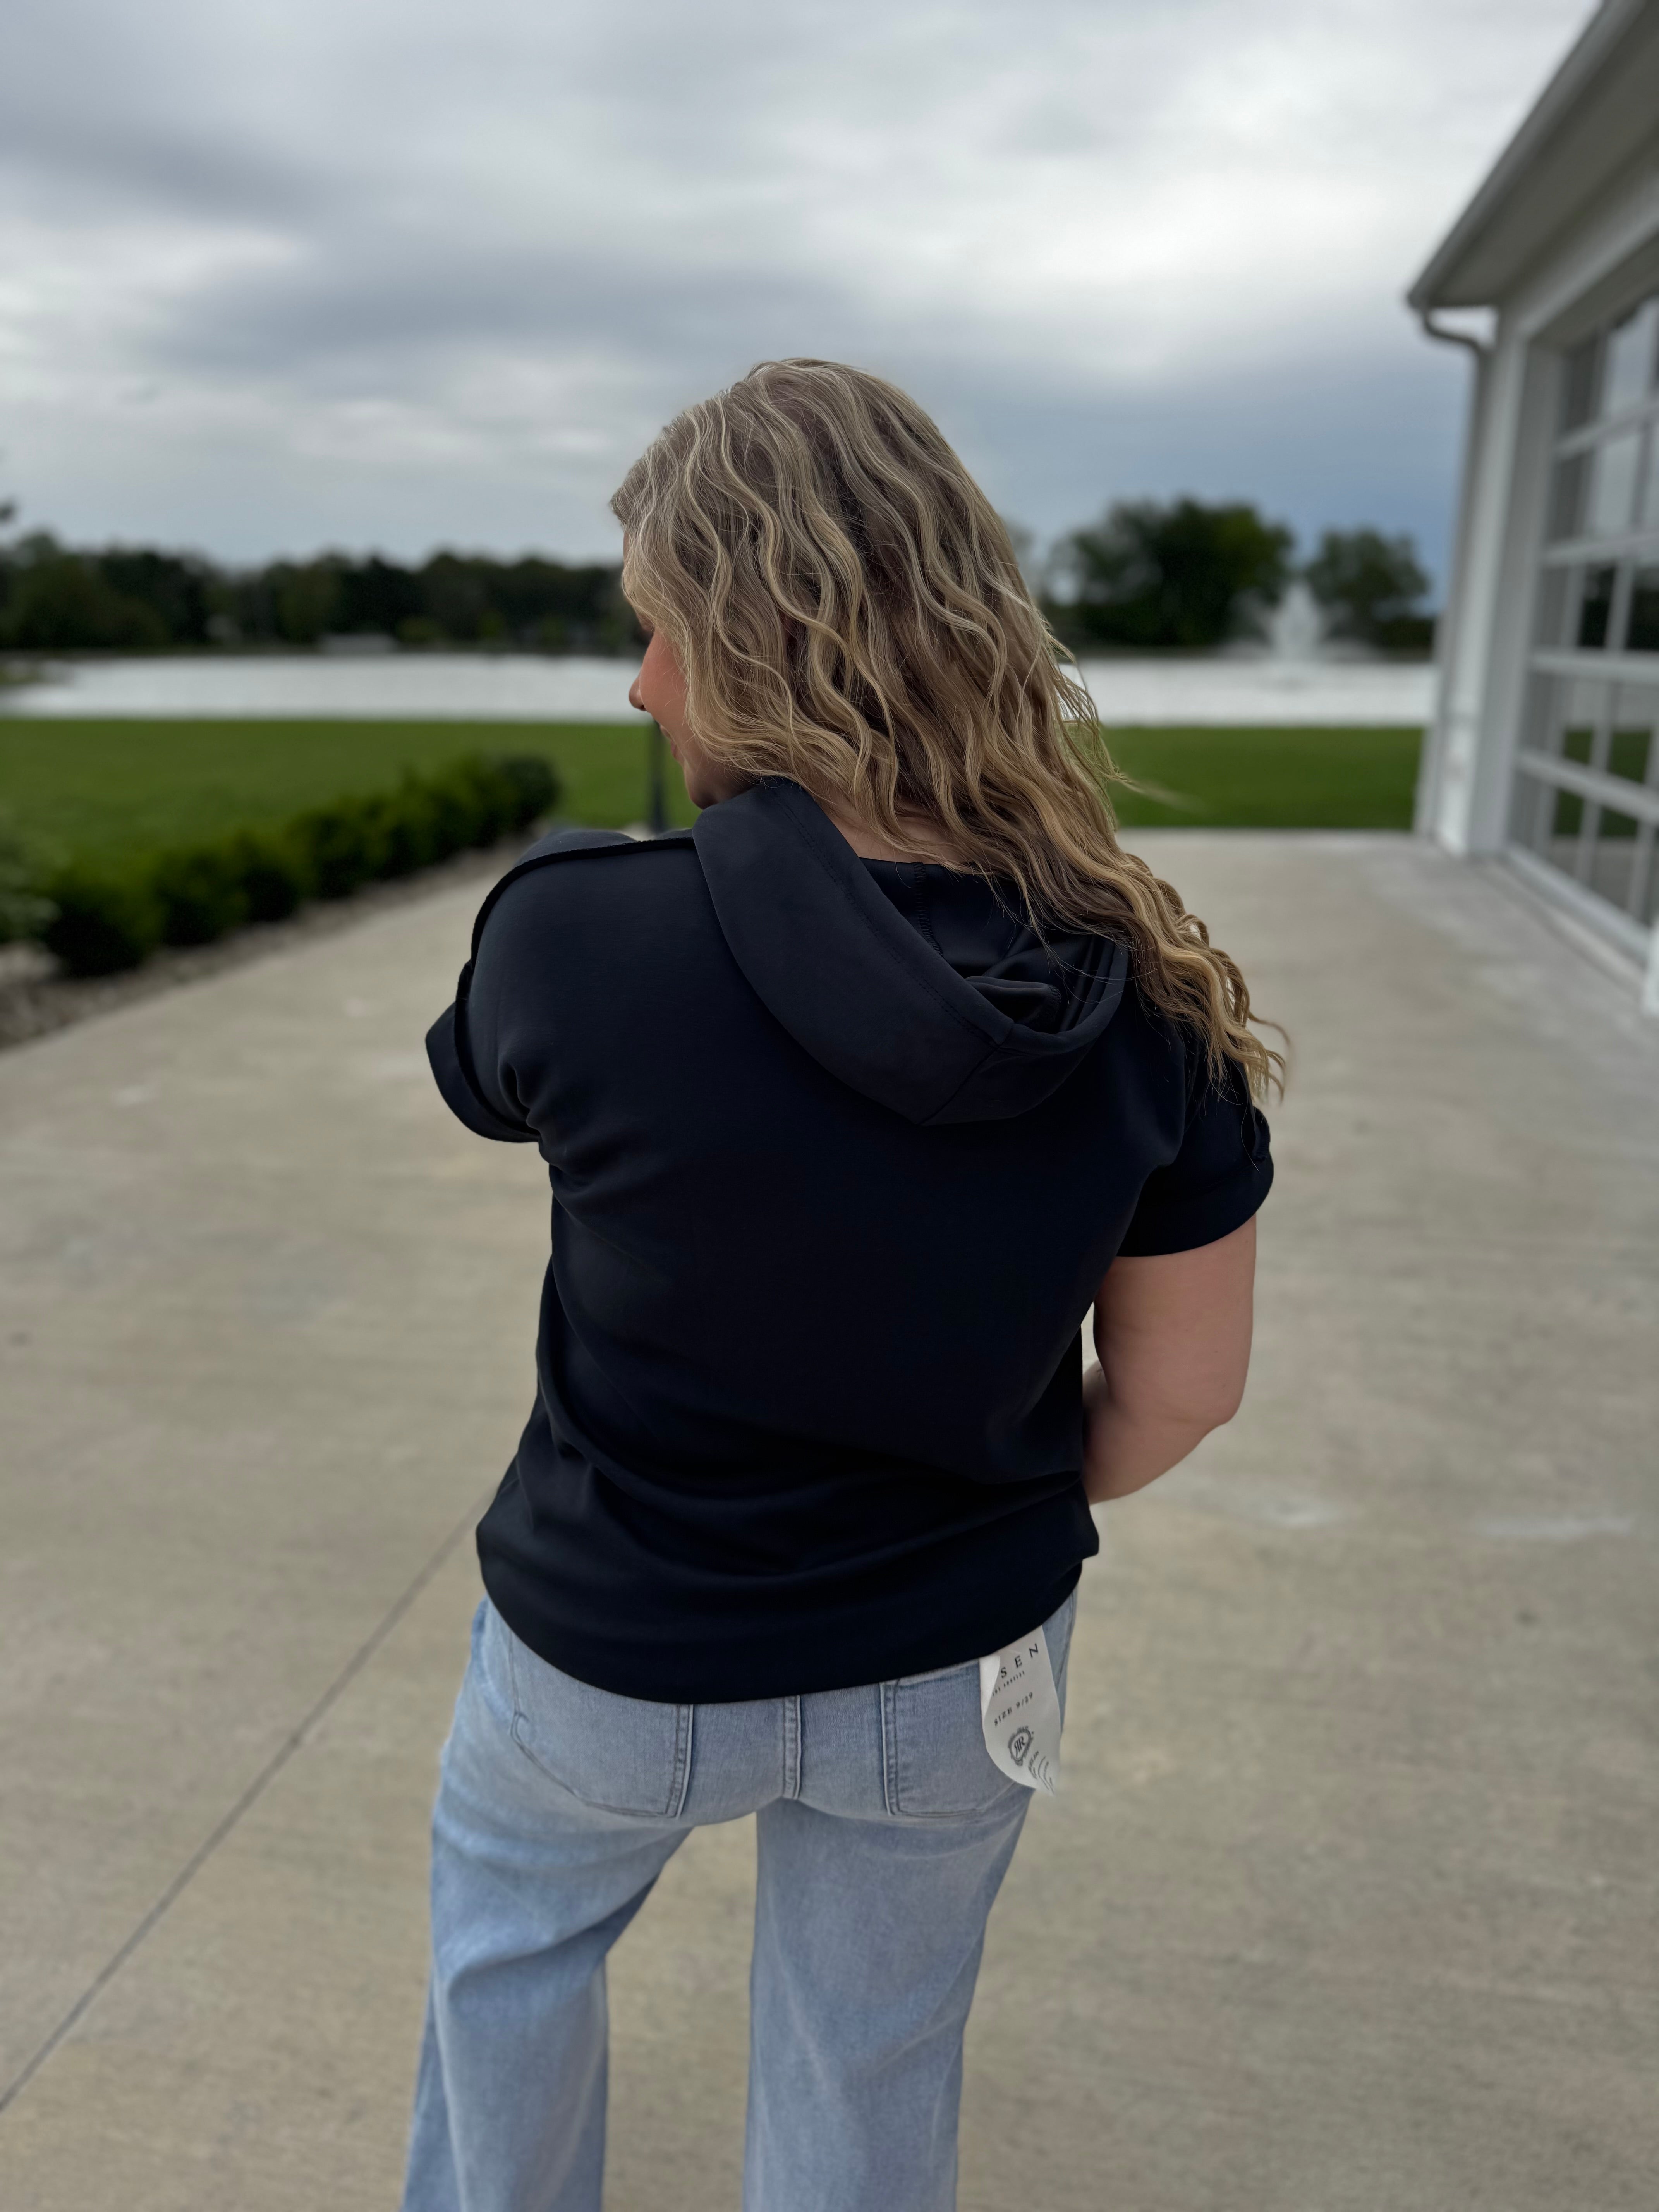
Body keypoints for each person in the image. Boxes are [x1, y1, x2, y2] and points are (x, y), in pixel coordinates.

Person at [402, 359, 1279, 2212]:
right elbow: (1184, 1390)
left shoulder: (571, 933)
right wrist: (981, 1494)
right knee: (868, 2070)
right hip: (956, 1662)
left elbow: (484, 1080)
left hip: (614, 1648)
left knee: (507, 1960)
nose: (639, 684)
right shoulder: (1142, 988)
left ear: (748, 637)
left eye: (656, 628)